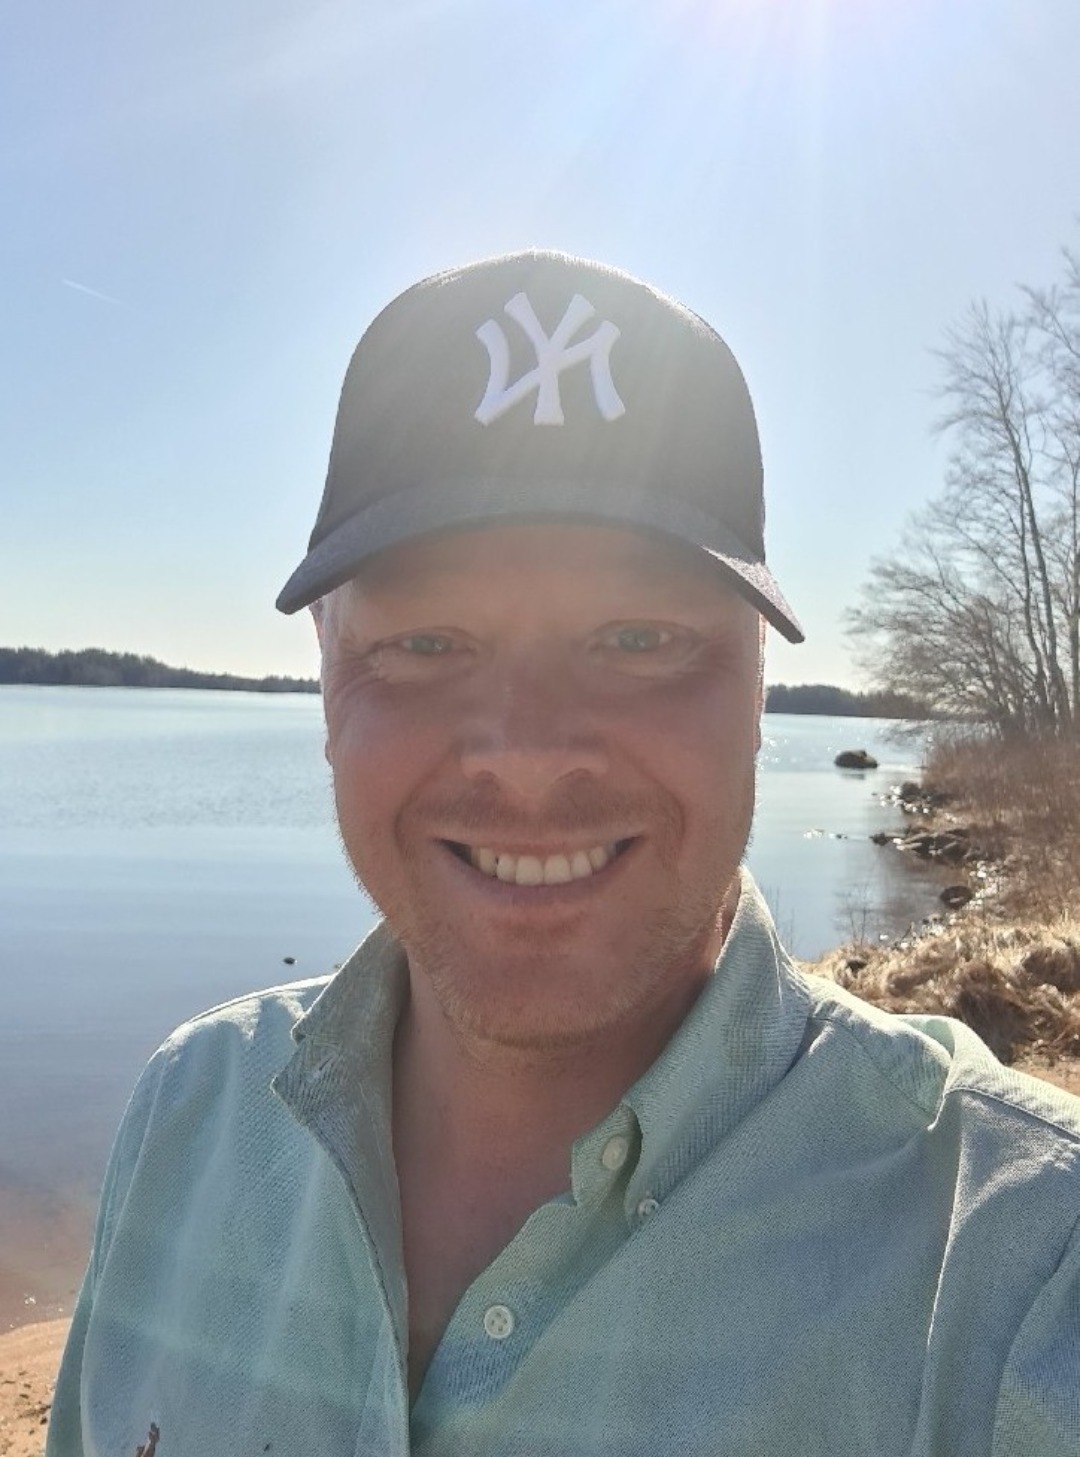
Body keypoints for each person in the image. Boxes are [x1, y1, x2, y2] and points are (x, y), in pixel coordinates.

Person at [47, 251, 1080, 1457]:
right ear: (327, 676)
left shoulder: (1016, 1276)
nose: (529, 757)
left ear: (757, 687)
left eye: (638, 638)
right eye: (426, 642)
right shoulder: (192, 1113)